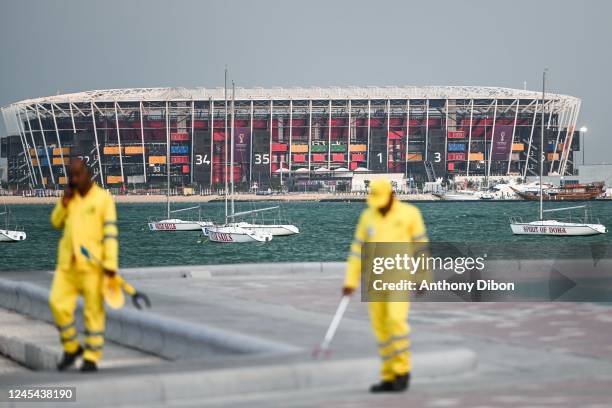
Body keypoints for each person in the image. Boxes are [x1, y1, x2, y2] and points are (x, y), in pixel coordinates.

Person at [342, 178, 429, 393]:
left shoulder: (410, 214)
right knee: (381, 328)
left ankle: (402, 371)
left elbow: (420, 248)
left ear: (392, 195)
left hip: (400, 277)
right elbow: (357, 250)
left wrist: (423, 277)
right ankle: (389, 376)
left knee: (396, 322)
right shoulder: (367, 216)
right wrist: (350, 281)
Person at [49, 159, 118, 372]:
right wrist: (64, 202)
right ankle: (71, 347)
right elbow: (56, 222)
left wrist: (110, 264)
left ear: (88, 174)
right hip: (67, 264)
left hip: (92, 265)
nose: (74, 179)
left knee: (93, 312)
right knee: (57, 303)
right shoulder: (70, 197)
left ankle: (91, 357)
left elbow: (110, 233)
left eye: (77, 174)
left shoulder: (102, 199)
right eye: (71, 175)